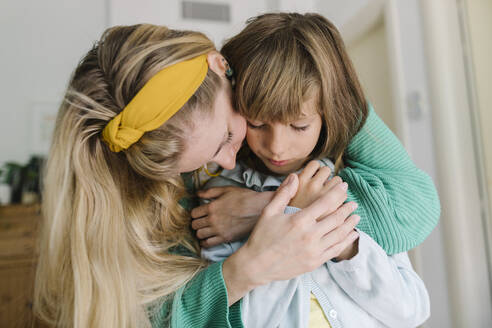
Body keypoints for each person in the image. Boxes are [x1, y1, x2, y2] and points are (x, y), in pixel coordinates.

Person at [33, 24, 362, 328]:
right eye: (198, 162)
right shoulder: (152, 197)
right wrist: (245, 270)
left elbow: (406, 212)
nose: (230, 163)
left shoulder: (284, 109)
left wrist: (266, 207)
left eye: (227, 137)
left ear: (221, 66)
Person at [191, 13, 439, 327]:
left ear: (326, 115)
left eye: (299, 125)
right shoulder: (222, 200)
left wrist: (336, 238)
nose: (277, 147)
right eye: (257, 124)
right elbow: (241, 318)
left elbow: (411, 311)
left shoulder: (353, 188)